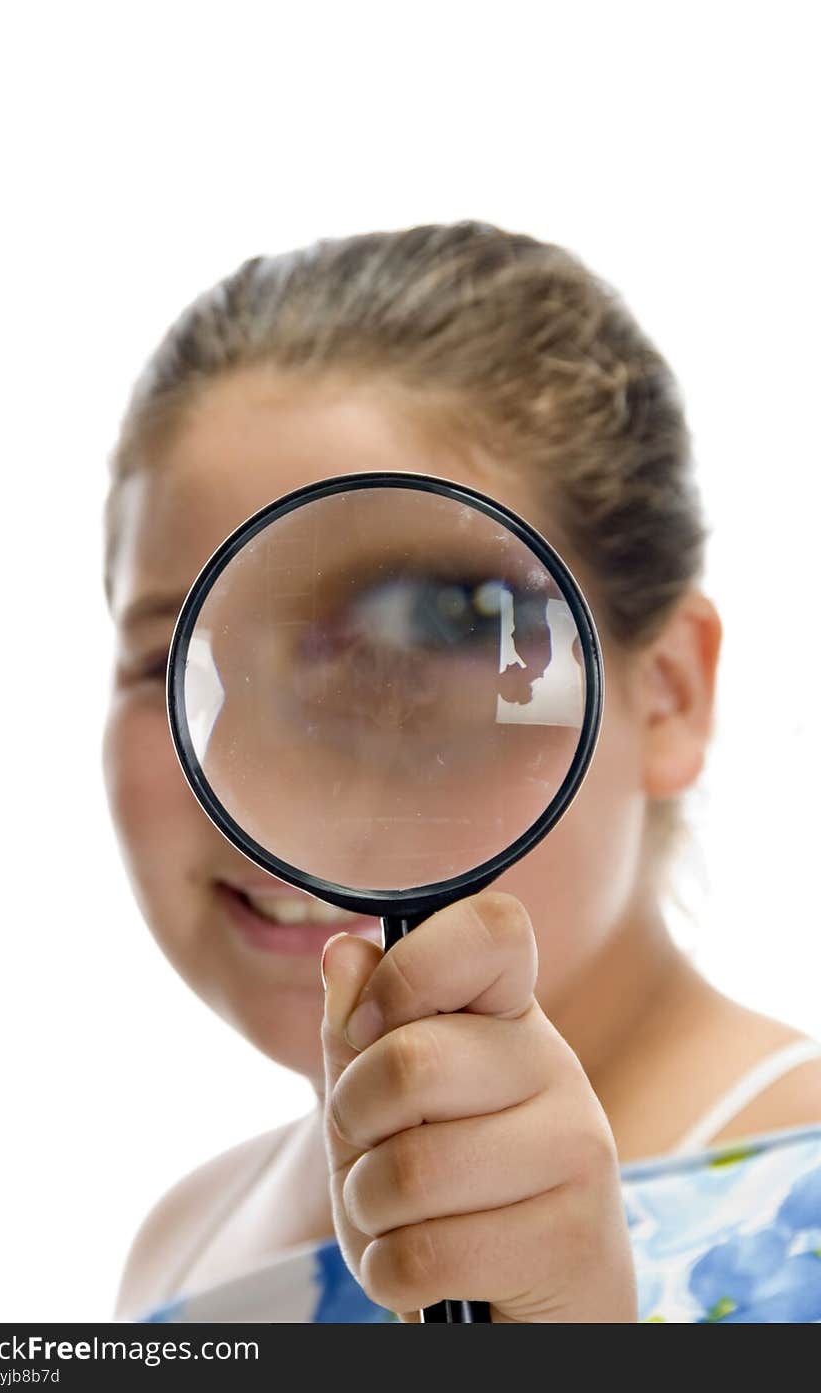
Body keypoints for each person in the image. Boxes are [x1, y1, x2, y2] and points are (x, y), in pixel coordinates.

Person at [102, 221, 821, 1323]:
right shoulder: (186, 1234)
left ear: (668, 690)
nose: (269, 767)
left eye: (435, 620)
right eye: (176, 662)